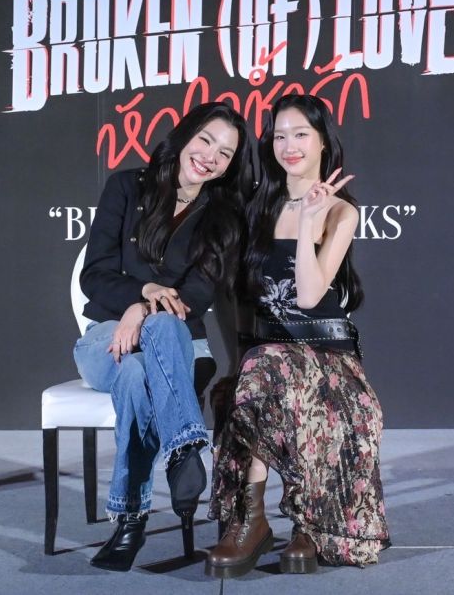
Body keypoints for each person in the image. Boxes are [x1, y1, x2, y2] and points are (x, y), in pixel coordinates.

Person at [206, 94, 389, 578]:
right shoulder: (253, 207)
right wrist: (235, 362)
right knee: (260, 372)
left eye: (301, 134)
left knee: (270, 370)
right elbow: (237, 297)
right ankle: (252, 520)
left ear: (323, 141)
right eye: (280, 135)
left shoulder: (341, 212)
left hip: (327, 354)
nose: (289, 145)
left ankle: (304, 522)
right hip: (266, 355)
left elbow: (308, 296)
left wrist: (309, 221)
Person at [73, 102, 251, 571]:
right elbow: (94, 275)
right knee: (138, 357)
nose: (211, 157)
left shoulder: (223, 217)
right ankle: (186, 443)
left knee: (140, 370)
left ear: (230, 166)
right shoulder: (126, 187)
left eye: (225, 154)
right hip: (106, 339)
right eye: (206, 140)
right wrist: (140, 294)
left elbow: (195, 296)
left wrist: (142, 310)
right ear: (185, 136)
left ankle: (129, 523)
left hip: (180, 346)